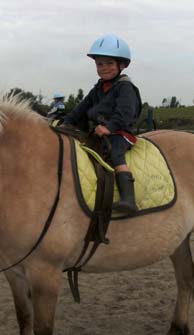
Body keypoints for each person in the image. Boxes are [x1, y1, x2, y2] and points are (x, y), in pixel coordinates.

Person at [63, 34, 142, 214]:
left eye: (109, 63)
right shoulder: (98, 88)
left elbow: (125, 113)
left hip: (121, 133)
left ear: (121, 65)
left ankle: (129, 200)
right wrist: (65, 122)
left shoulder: (125, 87)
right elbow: (81, 109)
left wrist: (110, 128)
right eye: (100, 64)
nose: (103, 68)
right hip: (101, 132)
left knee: (115, 154)